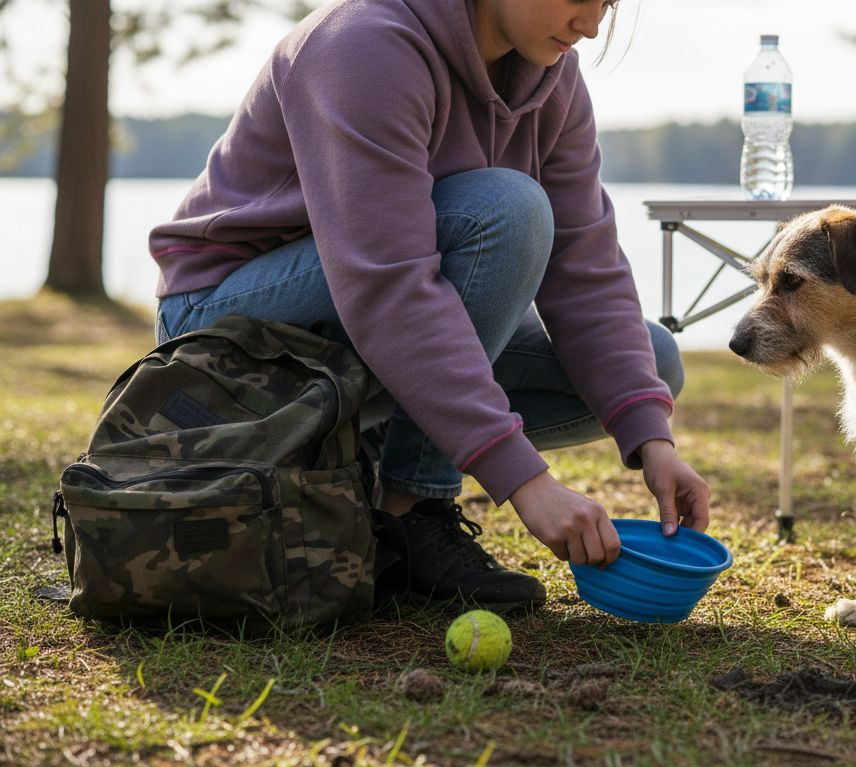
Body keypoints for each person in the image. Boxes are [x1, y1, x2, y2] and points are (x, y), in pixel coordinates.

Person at [148, 0, 711, 614]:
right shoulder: (363, 45)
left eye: (607, 1)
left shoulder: (553, 80)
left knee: (650, 367)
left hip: (361, 324)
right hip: (223, 333)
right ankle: (412, 511)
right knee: (503, 211)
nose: (593, 23)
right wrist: (526, 483)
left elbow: (586, 268)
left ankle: (366, 471)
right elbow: (389, 284)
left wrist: (654, 443)